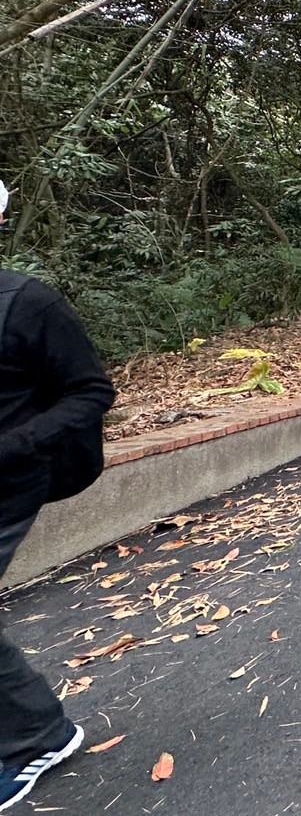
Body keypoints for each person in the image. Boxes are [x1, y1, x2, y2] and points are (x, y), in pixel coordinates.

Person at [1, 181, 116, 812]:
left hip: (11, 478)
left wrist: (17, 444)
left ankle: (36, 739)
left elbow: (91, 391)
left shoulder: (27, 302)